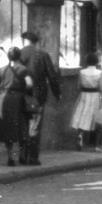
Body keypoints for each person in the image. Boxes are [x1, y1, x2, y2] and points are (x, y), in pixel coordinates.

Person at [19, 28, 61, 165]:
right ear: (36, 42)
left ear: (25, 41)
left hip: (21, 95)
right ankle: (32, 157)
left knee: (23, 125)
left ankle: (22, 156)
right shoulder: (43, 55)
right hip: (38, 97)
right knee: (35, 126)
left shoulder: (19, 54)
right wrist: (57, 93)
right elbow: (52, 76)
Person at [0, 45, 33, 167]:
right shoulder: (23, 69)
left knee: (7, 128)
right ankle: (21, 156)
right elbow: (29, 83)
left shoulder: (2, 70)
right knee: (22, 126)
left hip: (4, 99)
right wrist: (25, 91)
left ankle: (10, 157)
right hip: (18, 100)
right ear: (19, 56)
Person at [70, 52, 102, 150]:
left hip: (84, 95)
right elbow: (101, 87)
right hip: (95, 96)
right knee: (97, 118)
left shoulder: (82, 72)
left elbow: (78, 86)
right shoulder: (99, 73)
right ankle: (97, 145)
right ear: (96, 62)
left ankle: (80, 135)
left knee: (82, 115)